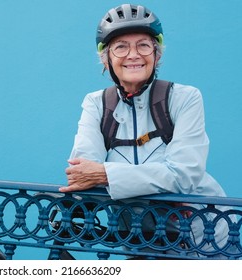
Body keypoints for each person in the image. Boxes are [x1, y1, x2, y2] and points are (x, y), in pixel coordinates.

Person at [59, 4, 233, 257]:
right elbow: (82, 174)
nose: (133, 55)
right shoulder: (96, 103)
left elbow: (184, 175)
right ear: (106, 59)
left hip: (207, 239)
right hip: (141, 239)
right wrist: (153, 176)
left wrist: (106, 174)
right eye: (120, 47)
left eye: (143, 45)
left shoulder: (184, 98)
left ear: (157, 54)